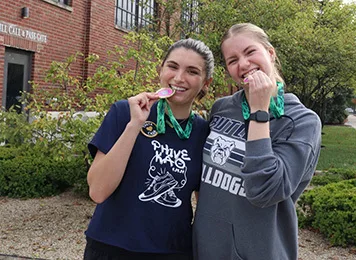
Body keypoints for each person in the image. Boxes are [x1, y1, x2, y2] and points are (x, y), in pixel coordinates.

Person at [192, 23, 321, 260]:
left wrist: (259, 111)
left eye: (250, 52)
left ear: (270, 53)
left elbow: (265, 191)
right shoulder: (222, 108)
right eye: (232, 60)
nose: (243, 64)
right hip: (206, 248)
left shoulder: (302, 121)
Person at [84, 38, 214, 260]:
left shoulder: (204, 132)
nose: (179, 78)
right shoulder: (125, 112)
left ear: (206, 83)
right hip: (110, 247)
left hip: (173, 251)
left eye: (192, 71)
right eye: (172, 66)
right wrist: (135, 125)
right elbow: (98, 191)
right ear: (160, 70)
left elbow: (206, 205)